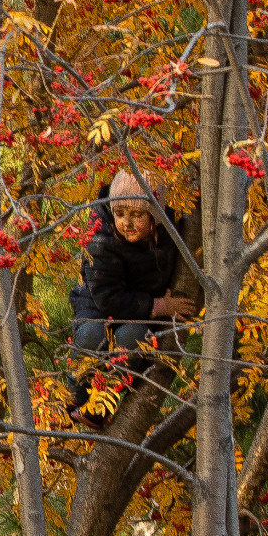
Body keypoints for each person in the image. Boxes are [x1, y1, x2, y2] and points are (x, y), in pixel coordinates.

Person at [68, 167, 196, 424]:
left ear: (155, 216)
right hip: (98, 305)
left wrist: (166, 292)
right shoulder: (101, 237)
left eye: (137, 214)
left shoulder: (169, 231)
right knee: (93, 334)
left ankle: (99, 409)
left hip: (139, 312)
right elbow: (108, 299)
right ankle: (74, 394)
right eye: (120, 213)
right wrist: (161, 305)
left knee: (132, 336)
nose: (126, 222)